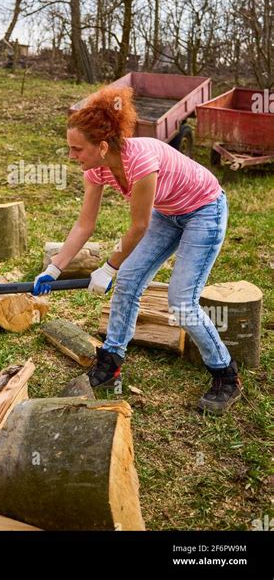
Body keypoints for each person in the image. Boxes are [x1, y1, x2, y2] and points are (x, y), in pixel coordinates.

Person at [33, 85, 242, 415]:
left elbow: (139, 226)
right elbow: (84, 225)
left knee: (181, 301)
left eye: (77, 149)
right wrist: (54, 267)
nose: (72, 156)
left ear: (102, 146)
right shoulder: (96, 169)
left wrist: (108, 267)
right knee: (129, 282)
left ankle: (225, 375)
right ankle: (111, 359)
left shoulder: (140, 162)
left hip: (205, 210)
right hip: (169, 213)